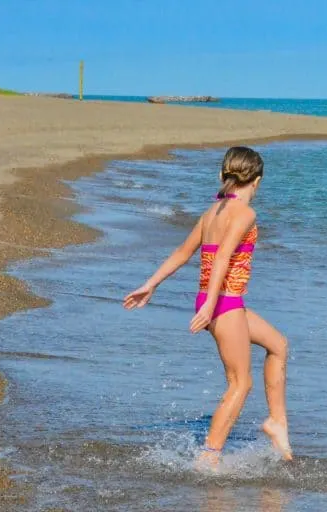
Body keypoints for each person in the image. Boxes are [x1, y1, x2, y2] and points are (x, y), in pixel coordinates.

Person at [123, 146, 292, 463]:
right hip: (223, 303)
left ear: (222, 175)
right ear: (257, 181)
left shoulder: (211, 212)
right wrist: (211, 305)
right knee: (240, 383)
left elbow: (181, 253)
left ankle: (277, 423)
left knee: (278, 345)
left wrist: (150, 285)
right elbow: (224, 258)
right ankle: (209, 456)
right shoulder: (244, 213)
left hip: (223, 301)